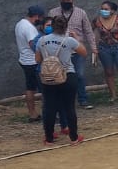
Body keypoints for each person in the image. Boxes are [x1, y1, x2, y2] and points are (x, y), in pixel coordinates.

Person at [36, 15, 86, 145]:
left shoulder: (41, 40)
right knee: (69, 107)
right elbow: (83, 52)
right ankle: (74, 138)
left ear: (52, 26)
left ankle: (49, 138)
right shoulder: (69, 41)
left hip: (48, 77)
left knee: (49, 107)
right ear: (66, 27)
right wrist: (76, 38)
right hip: (67, 75)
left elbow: (38, 60)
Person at [49, 0, 96, 110]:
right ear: (60, 1)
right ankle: (65, 101)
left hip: (76, 49)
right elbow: (48, 29)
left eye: (68, 0)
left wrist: (93, 48)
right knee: (61, 76)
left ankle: (83, 99)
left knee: (79, 75)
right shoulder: (53, 12)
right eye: (63, 1)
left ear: (73, 0)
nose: (66, 2)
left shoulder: (81, 12)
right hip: (60, 51)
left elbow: (88, 31)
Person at [93, 0, 118, 102]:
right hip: (104, 48)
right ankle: (113, 95)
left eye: (106, 9)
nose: (103, 11)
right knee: (109, 72)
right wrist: (95, 48)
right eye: (102, 9)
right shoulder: (97, 21)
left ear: (112, 10)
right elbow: (94, 34)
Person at [14, 5, 46, 121]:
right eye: (40, 18)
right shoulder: (29, 28)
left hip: (24, 60)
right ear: (36, 16)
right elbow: (33, 45)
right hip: (33, 61)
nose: (40, 20)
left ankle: (32, 114)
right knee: (45, 89)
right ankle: (48, 113)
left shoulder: (20, 24)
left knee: (30, 88)